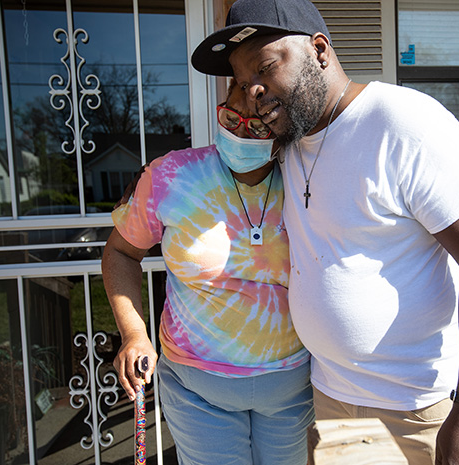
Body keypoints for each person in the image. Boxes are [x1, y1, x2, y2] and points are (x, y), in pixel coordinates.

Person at [190, 1, 459, 464]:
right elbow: (234, 169)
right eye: (241, 82)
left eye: (265, 67)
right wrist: (154, 176)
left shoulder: (403, 123)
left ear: (319, 50)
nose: (254, 90)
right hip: (332, 402)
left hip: (418, 409)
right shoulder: (290, 142)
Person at [102, 81, 314, 465]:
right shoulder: (170, 176)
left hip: (291, 389)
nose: (240, 132)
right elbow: (120, 252)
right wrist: (134, 334)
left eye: (258, 126)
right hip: (197, 388)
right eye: (231, 118)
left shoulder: (309, 179)